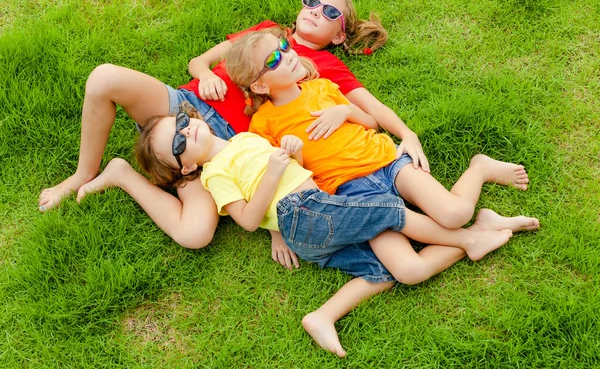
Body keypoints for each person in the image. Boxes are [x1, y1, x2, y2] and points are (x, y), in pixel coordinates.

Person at [38, 0, 430, 266]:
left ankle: (122, 174)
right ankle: (82, 174)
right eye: (313, 1)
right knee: (104, 77)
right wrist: (204, 72)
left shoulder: (325, 69)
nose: (316, 11)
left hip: (230, 151)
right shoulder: (267, 33)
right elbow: (199, 61)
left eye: (330, 12)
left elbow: (369, 107)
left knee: (195, 235)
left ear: (340, 34)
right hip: (188, 111)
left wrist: (407, 134)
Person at [110, 107, 538, 357]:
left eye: (182, 122)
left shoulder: (243, 138)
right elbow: (245, 216)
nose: (189, 131)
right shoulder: (213, 175)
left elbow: (282, 183)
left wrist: (289, 154)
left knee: (397, 271)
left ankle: (323, 315)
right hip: (304, 212)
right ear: (185, 167)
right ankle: (468, 238)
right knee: (388, 211)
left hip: (314, 216)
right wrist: (275, 175)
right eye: (180, 143)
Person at [225, 31, 531, 232]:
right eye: (275, 59)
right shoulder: (262, 125)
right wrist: (278, 232)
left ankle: (479, 167)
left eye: (284, 47)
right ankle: (483, 227)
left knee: (454, 215)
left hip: (385, 159)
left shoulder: (321, 88)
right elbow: (285, 179)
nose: (289, 55)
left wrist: (344, 111)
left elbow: (371, 123)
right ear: (259, 85)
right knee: (406, 249)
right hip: (347, 190)